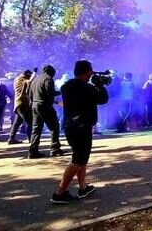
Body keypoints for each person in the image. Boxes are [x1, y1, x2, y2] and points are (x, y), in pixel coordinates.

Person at [51, 60, 109, 204]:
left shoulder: (66, 86)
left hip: (70, 125)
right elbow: (103, 99)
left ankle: (83, 188)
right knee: (78, 159)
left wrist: (94, 84)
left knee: (82, 158)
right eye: (90, 71)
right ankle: (60, 192)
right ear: (87, 72)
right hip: (82, 126)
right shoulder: (87, 88)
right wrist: (100, 85)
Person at [28, 65, 64, 158]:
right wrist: (61, 92)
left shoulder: (35, 79)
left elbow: (29, 93)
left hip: (35, 105)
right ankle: (55, 148)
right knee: (54, 126)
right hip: (44, 105)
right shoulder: (48, 79)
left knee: (36, 129)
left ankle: (33, 151)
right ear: (50, 72)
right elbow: (50, 93)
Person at [8, 69, 35, 144]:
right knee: (29, 122)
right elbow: (29, 82)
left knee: (17, 122)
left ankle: (11, 138)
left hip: (18, 104)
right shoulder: (23, 80)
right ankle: (31, 139)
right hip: (23, 104)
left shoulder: (17, 79)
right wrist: (34, 74)